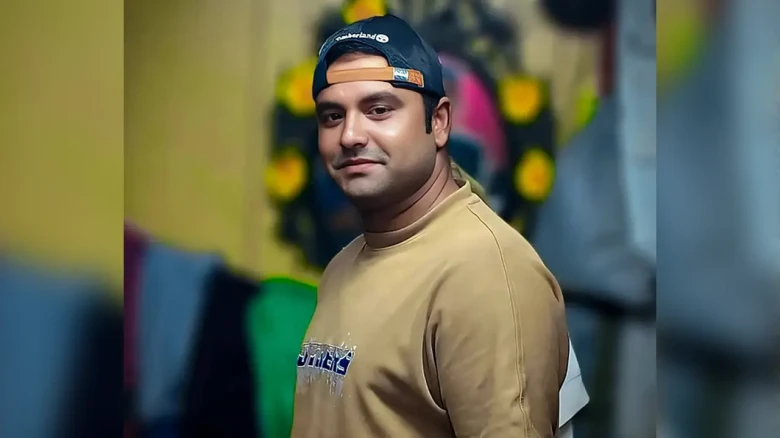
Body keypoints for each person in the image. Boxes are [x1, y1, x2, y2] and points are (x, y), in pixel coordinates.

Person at [292, 14, 572, 437]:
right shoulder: (345, 265)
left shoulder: (486, 274)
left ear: (438, 122)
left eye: (378, 110)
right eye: (332, 116)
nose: (349, 135)